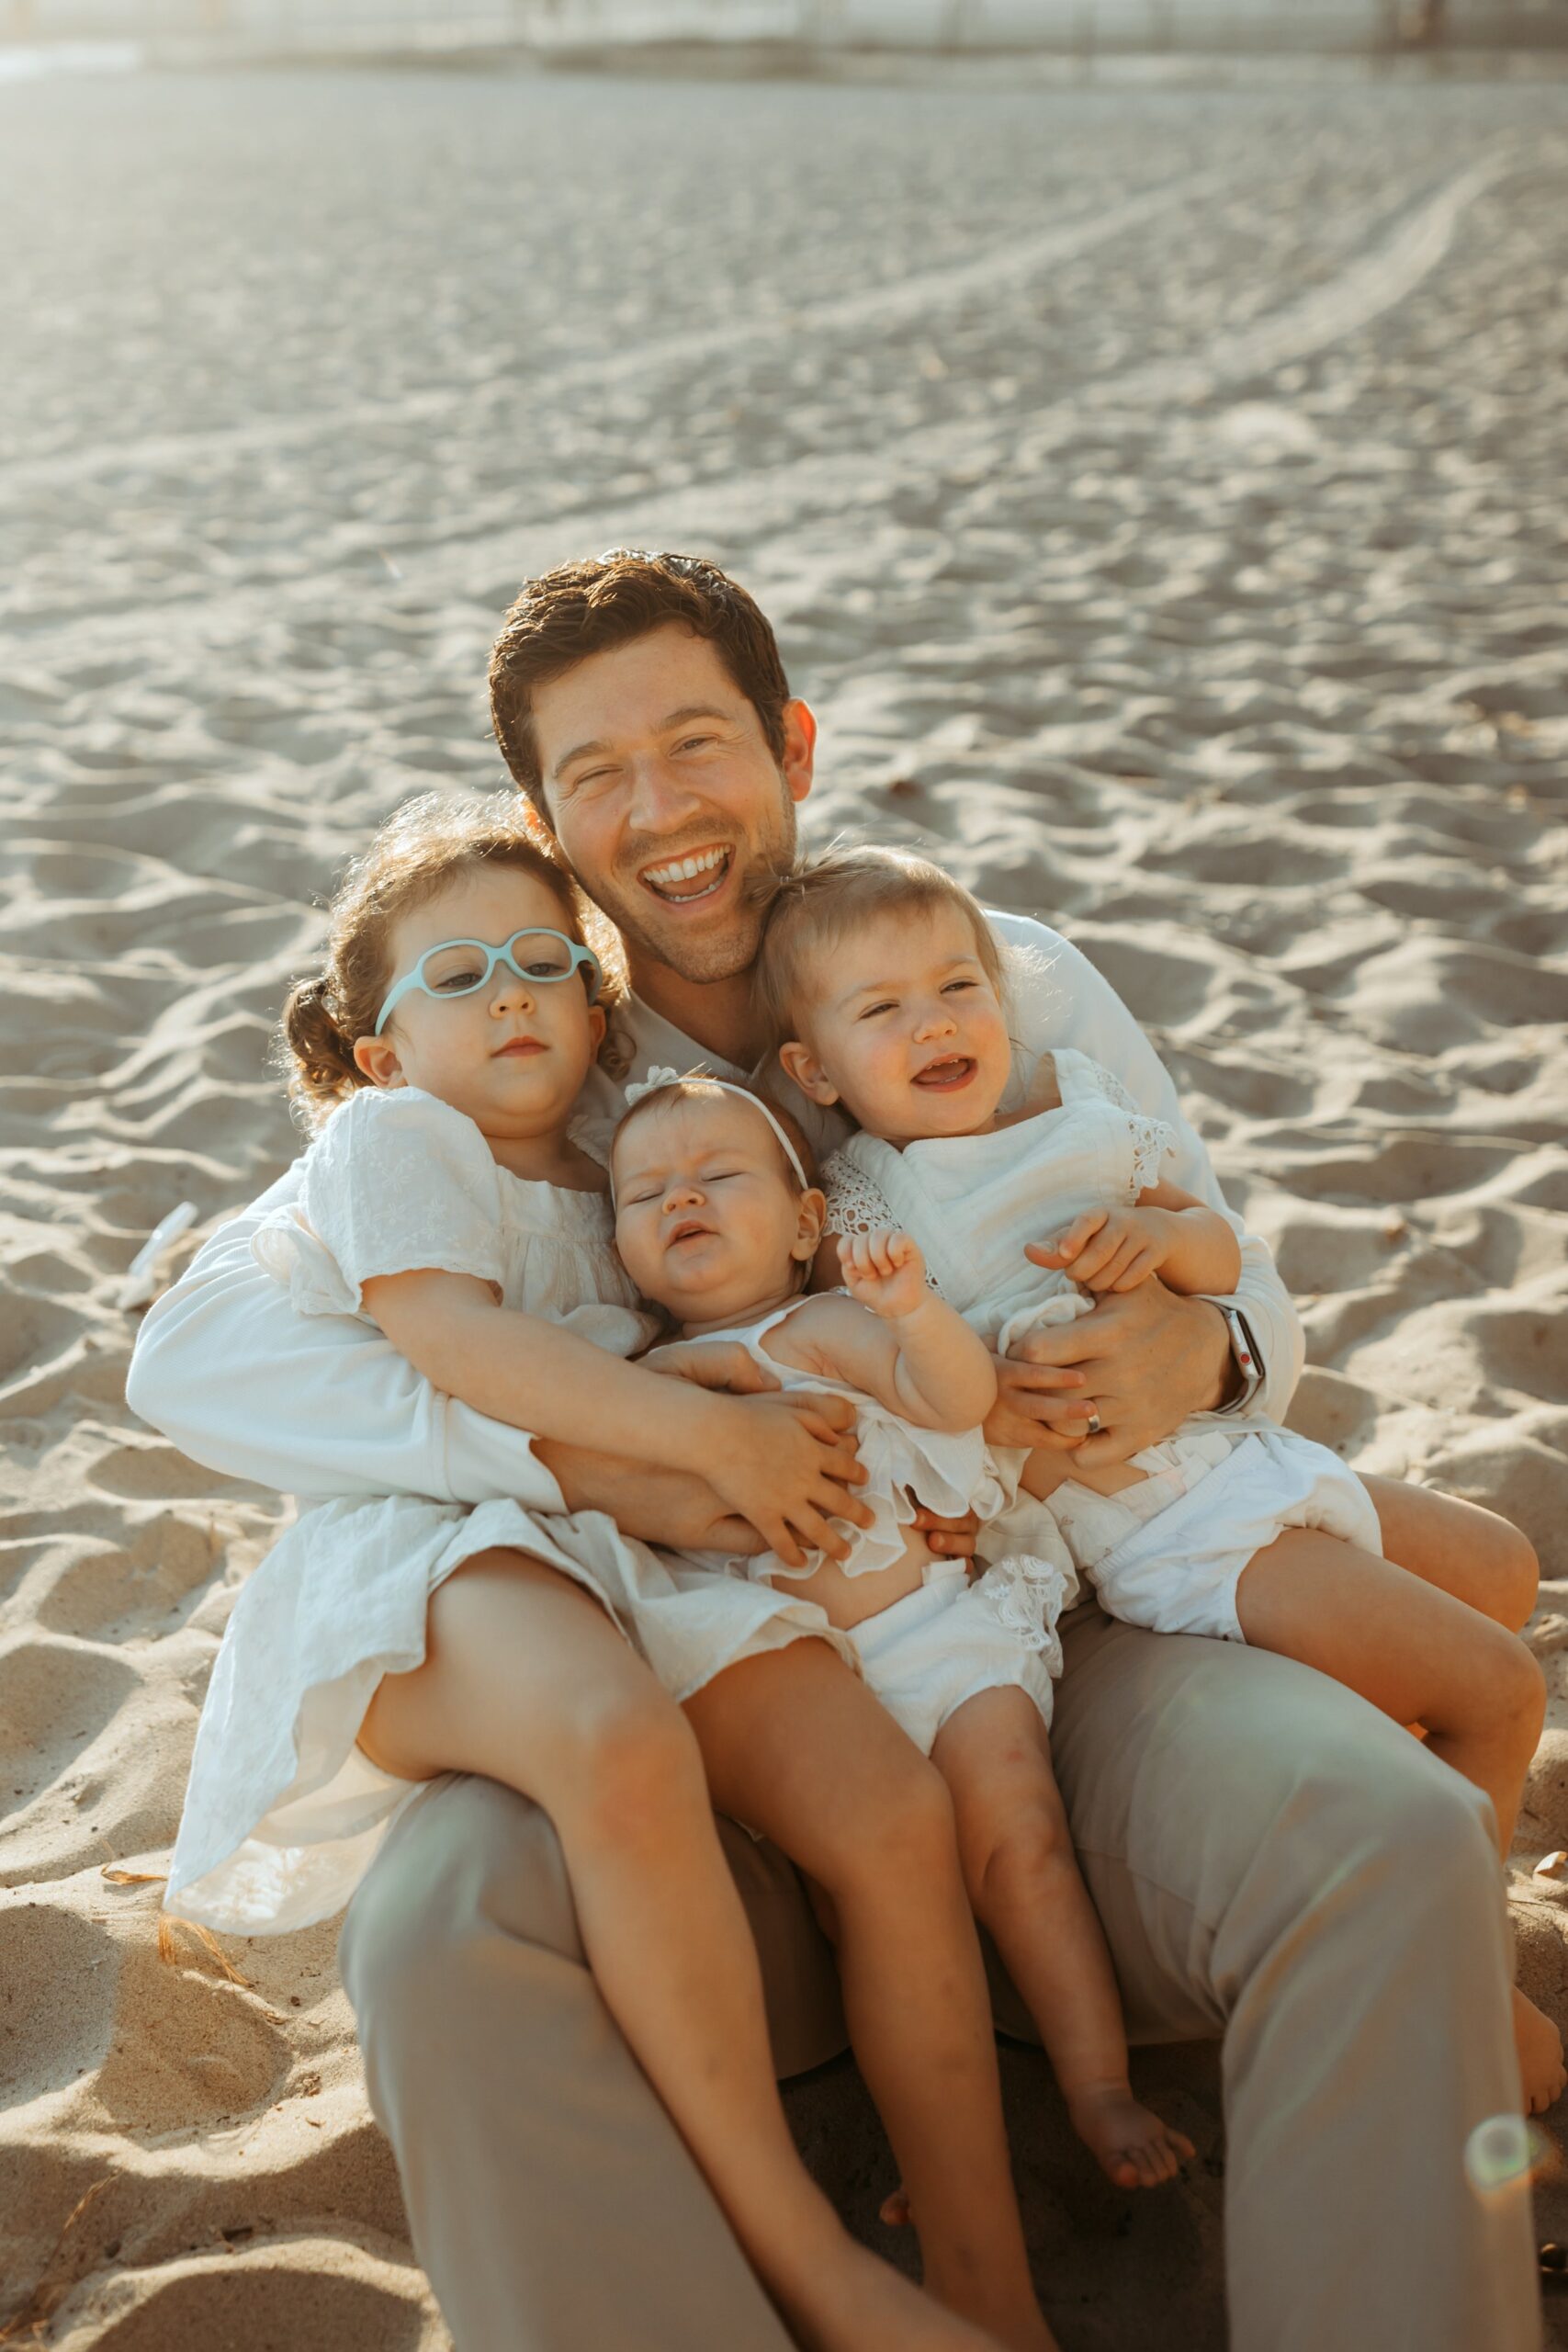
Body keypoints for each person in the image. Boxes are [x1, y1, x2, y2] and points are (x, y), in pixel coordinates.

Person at [129, 549, 1544, 2352]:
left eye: (699, 741)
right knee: (430, 1935)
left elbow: (1221, 1266)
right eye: (596, 773)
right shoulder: (526, 1048)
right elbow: (209, 1346)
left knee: (1393, 1825)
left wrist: (1211, 1342)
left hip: (1049, 1647)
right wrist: (608, 1456)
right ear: (541, 814)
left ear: (789, 742)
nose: (662, 809)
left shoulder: (987, 975)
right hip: (723, 1734)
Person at [163, 793, 1006, 2352]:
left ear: (597, 998)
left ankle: (984, 2285)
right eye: (456, 974)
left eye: (542, 960)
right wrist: (722, 1452)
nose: (507, 994)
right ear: (378, 1050)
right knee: (615, 1742)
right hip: (432, 1554)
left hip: (632, 1557)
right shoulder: (399, 1140)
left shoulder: (636, 1149)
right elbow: (457, 1346)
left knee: (891, 1814)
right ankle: (806, 2256)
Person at [756, 841, 1556, 2110]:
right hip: (1162, 1522)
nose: (934, 1024)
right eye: (881, 1011)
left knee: (1501, 1570)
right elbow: (899, 1412)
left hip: (1237, 1453)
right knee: (1498, 1691)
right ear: (813, 1071)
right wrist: (983, 1407)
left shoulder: (1075, 1104)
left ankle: (1421, 1859)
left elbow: (1217, 1248)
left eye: (956, 986)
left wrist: (1160, 1242)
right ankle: (1472, 1985)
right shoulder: (864, 1208)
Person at [611, 1068, 1192, 2204]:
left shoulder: (822, 1326)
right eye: (648, 1193)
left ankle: (1097, 2081)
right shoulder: (640, 1383)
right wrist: (685, 1386)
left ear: (805, 1228)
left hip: (939, 1635)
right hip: (817, 1701)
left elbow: (952, 1399)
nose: (684, 1197)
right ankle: (939, 2128)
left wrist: (913, 1312)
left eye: (721, 1175)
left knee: (1017, 1840)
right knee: (863, 1914)